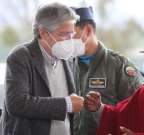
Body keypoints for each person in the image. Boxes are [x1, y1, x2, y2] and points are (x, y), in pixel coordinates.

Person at [1, 3, 84, 135]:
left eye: (71, 34)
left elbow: (72, 105)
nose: (70, 41)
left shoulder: (68, 58)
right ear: (44, 33)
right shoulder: (20, 57)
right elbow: (16, 104)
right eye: (64, 34)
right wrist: (66, 104)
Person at [71, 6, 144, 135]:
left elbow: (138, 112)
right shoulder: (65, 65)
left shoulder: (118, 66)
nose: (65, 40)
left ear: (87, 30)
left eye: (70, 34)